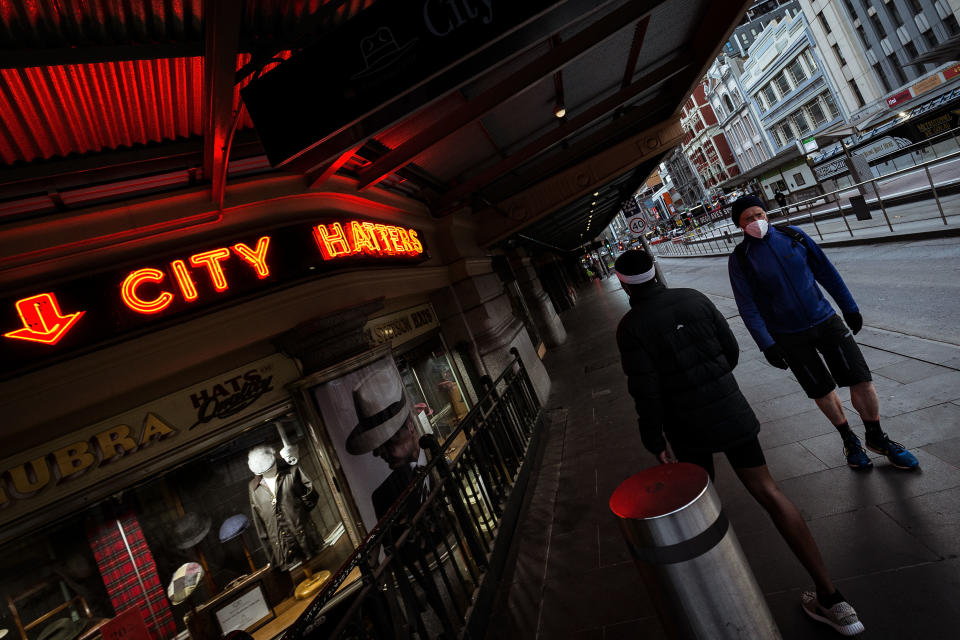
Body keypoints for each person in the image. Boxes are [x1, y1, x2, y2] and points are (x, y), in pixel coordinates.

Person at [615, 249, 864, 637]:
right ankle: (834, 600)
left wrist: (654, 437)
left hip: (687, 427)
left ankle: (721, 608)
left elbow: (644, 391)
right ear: (655, 272)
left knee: (703, 511)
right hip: (731, 411)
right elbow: (729, 352)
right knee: (769, 491)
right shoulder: (695, 298)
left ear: (621, 281)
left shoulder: (631, 327)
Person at [727, 195, 918, 472]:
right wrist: (766, 343)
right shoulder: (741, 260)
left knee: (860, 379)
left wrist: (849, 307)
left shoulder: (795, 237)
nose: (757, 221)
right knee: (821, 390)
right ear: (739, 225)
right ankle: (849, 441)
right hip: (788, 335)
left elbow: (826, 272)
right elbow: (747, 306)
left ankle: (877, 437)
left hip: (826, 320)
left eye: (760, 214)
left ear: (767, 215)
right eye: (748, 218)